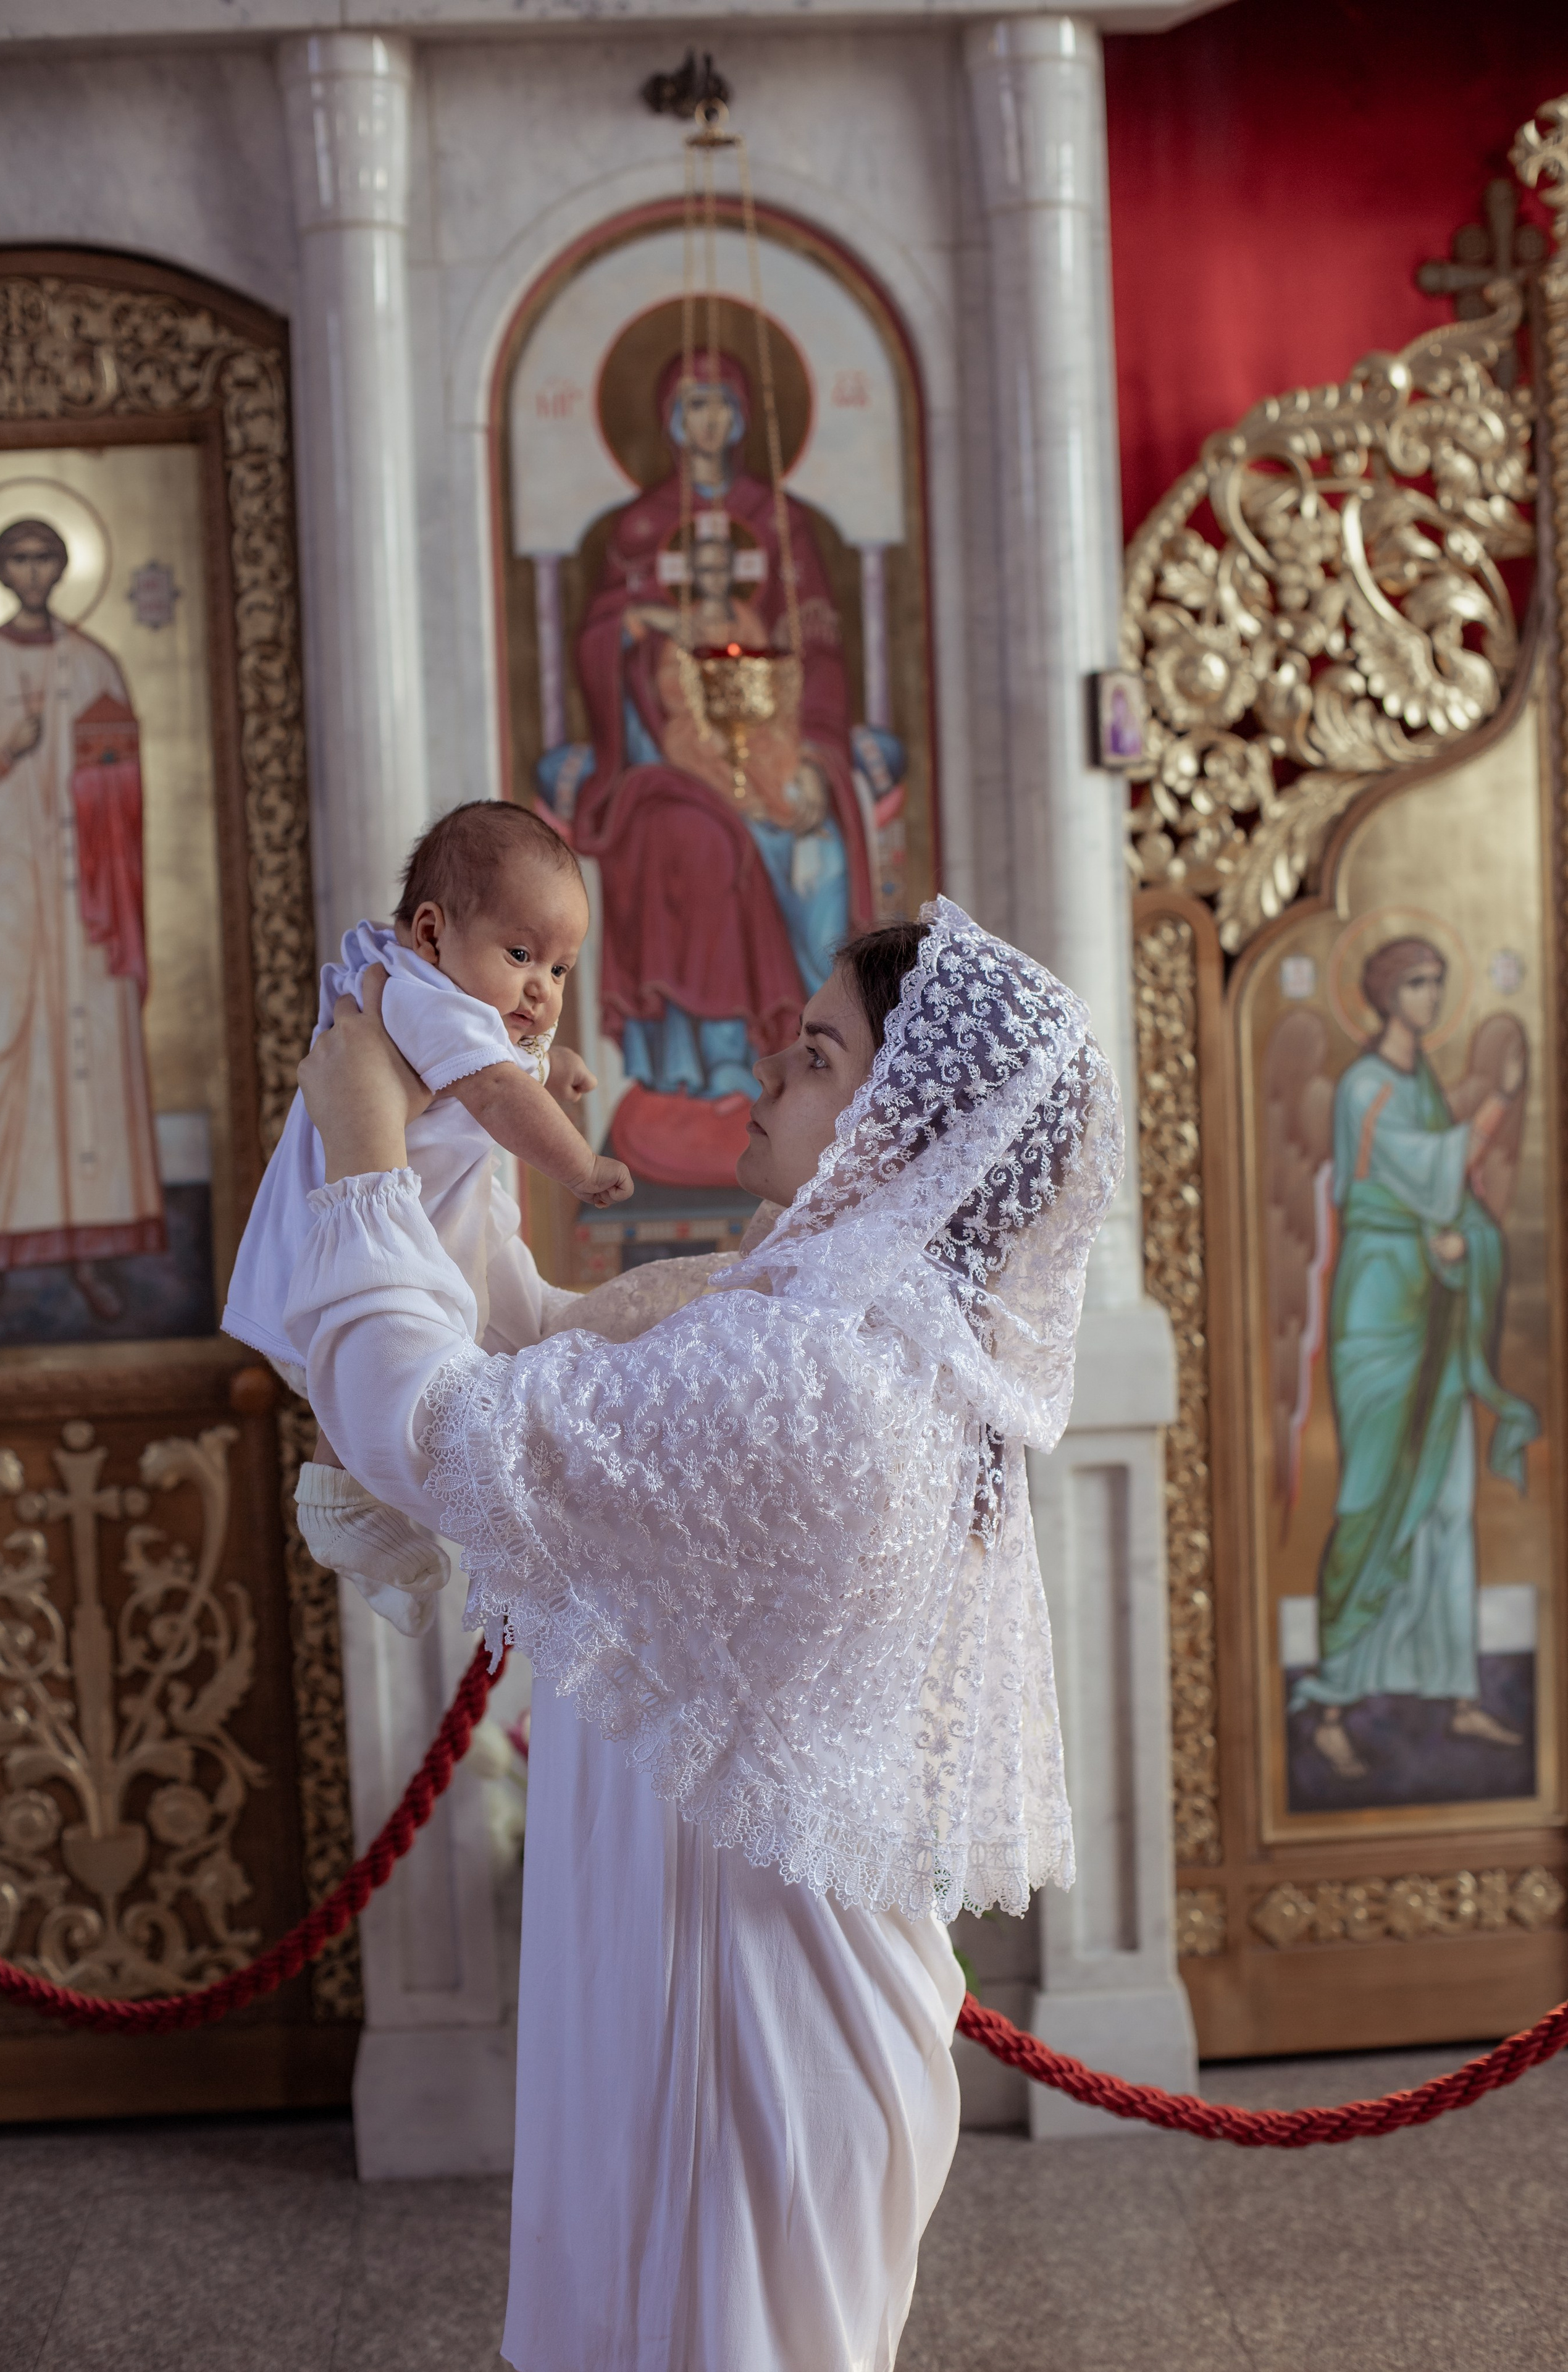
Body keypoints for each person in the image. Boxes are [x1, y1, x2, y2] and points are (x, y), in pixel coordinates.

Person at [285, 895, 1121, 2372]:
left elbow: (434, 1429)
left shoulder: (821, 1371)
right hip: (706, 1989)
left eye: (812, 1055)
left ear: (906, 1133)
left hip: (746, 2034)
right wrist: (464, 1138)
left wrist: (358, 1155)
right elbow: (521, 1344)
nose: (765, 1077)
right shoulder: (806, 1318)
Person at [222, 801, 630, 1634]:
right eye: (521, 955)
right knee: (398, 1345)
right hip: (374, 1214)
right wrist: (582, 1166)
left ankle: (344, 1492)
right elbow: (493, 1090)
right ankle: (340, 1497)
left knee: (412, 1343)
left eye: (560, 971)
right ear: (433, 933)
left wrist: (551, 1069)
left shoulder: (426, 981)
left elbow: (506, 1066)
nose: (542, 992)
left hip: (391, 1203)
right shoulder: (424, 999)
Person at [551, 352, 874, 1168]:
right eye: (693, 405)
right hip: (667, 760)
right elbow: (618, 656)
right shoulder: (638, 526)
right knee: (696, 846)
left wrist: (812, 763)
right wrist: (635, 627)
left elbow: (817, 649)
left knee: (821, 860)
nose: (709, 423)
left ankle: (828, 1071)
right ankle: (711, 1070)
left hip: (776, 755)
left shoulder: (778, 520)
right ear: (667, 419)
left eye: (723, 406)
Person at [1293, 935, 1538, 1780]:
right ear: (1390, 994)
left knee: (1447, 1498)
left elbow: (1443, 1193)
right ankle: (1330, 1699)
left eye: (1441, 982)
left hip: (1431, 1295)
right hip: (1380, 1306)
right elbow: (1428, 1178)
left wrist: (1455, 1234)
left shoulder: (1422, 1081)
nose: (1433, 997)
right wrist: (1499, 1105)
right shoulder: (1365, 1086)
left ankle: (1454, 1688)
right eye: (1421, 983)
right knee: (1371, 1498)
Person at [0, 515, 165, 1322]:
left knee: (88, 1060)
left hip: (87, 904)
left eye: (45, 557)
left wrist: (104, 776)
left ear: (61, 568)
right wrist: (4, 755)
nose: (32, 571)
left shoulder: (95, 663)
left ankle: (92, 1252)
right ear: (1, 568)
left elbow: (124, 795)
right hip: (5, 901)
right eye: (17, 557)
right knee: (4, 1056)